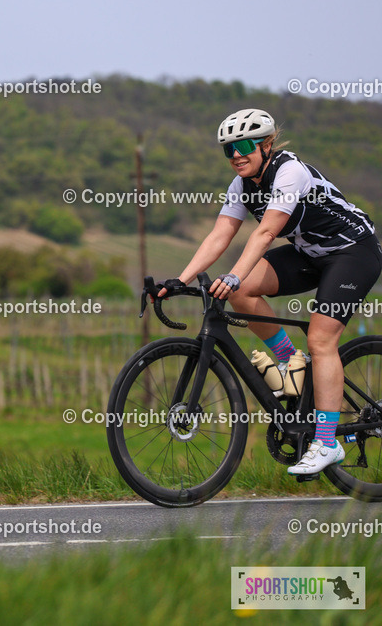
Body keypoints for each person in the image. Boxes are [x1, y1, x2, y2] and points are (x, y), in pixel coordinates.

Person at [160, 108, 381, 475]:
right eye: (228, 149)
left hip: (353, 252)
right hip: (309, 253)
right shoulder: (241, 186)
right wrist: (180, 280)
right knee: (241, 291)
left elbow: (264, 234)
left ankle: (327, 443)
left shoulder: (290, 172)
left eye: (243, 145)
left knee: (321, 339)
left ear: (267, 144)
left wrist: (231, 274)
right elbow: (220, 235)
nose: (235, 156)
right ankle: (288, 362)